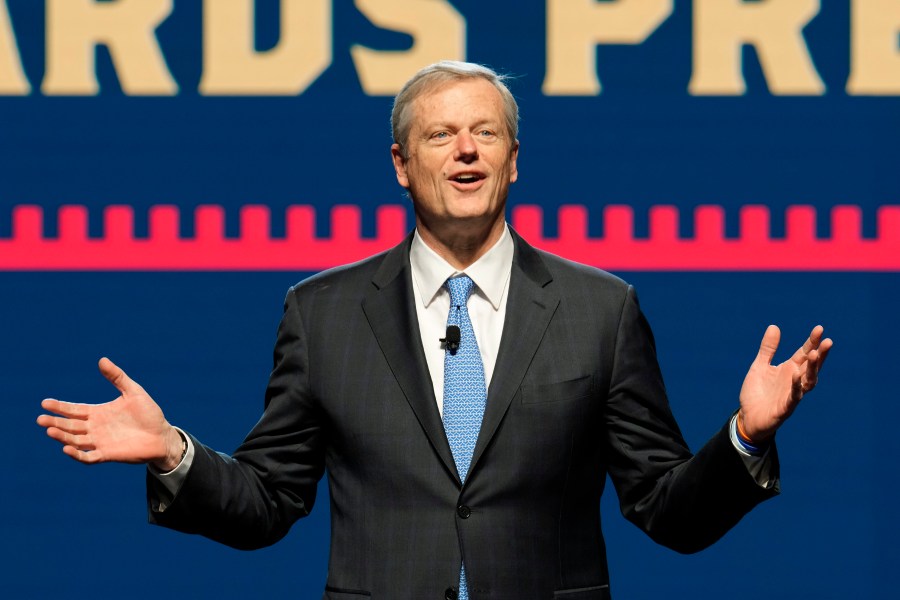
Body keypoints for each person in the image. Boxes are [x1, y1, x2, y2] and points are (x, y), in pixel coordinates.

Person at [37, 61, 832, 600]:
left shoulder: (602, 309)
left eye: (485, 134)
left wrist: (745, 439)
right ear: (400, 163)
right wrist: (176, 452)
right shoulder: (322, 313)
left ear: (514, 161)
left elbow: (668, 512)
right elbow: (268, 502)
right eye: (440, 136)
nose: (464, 152)